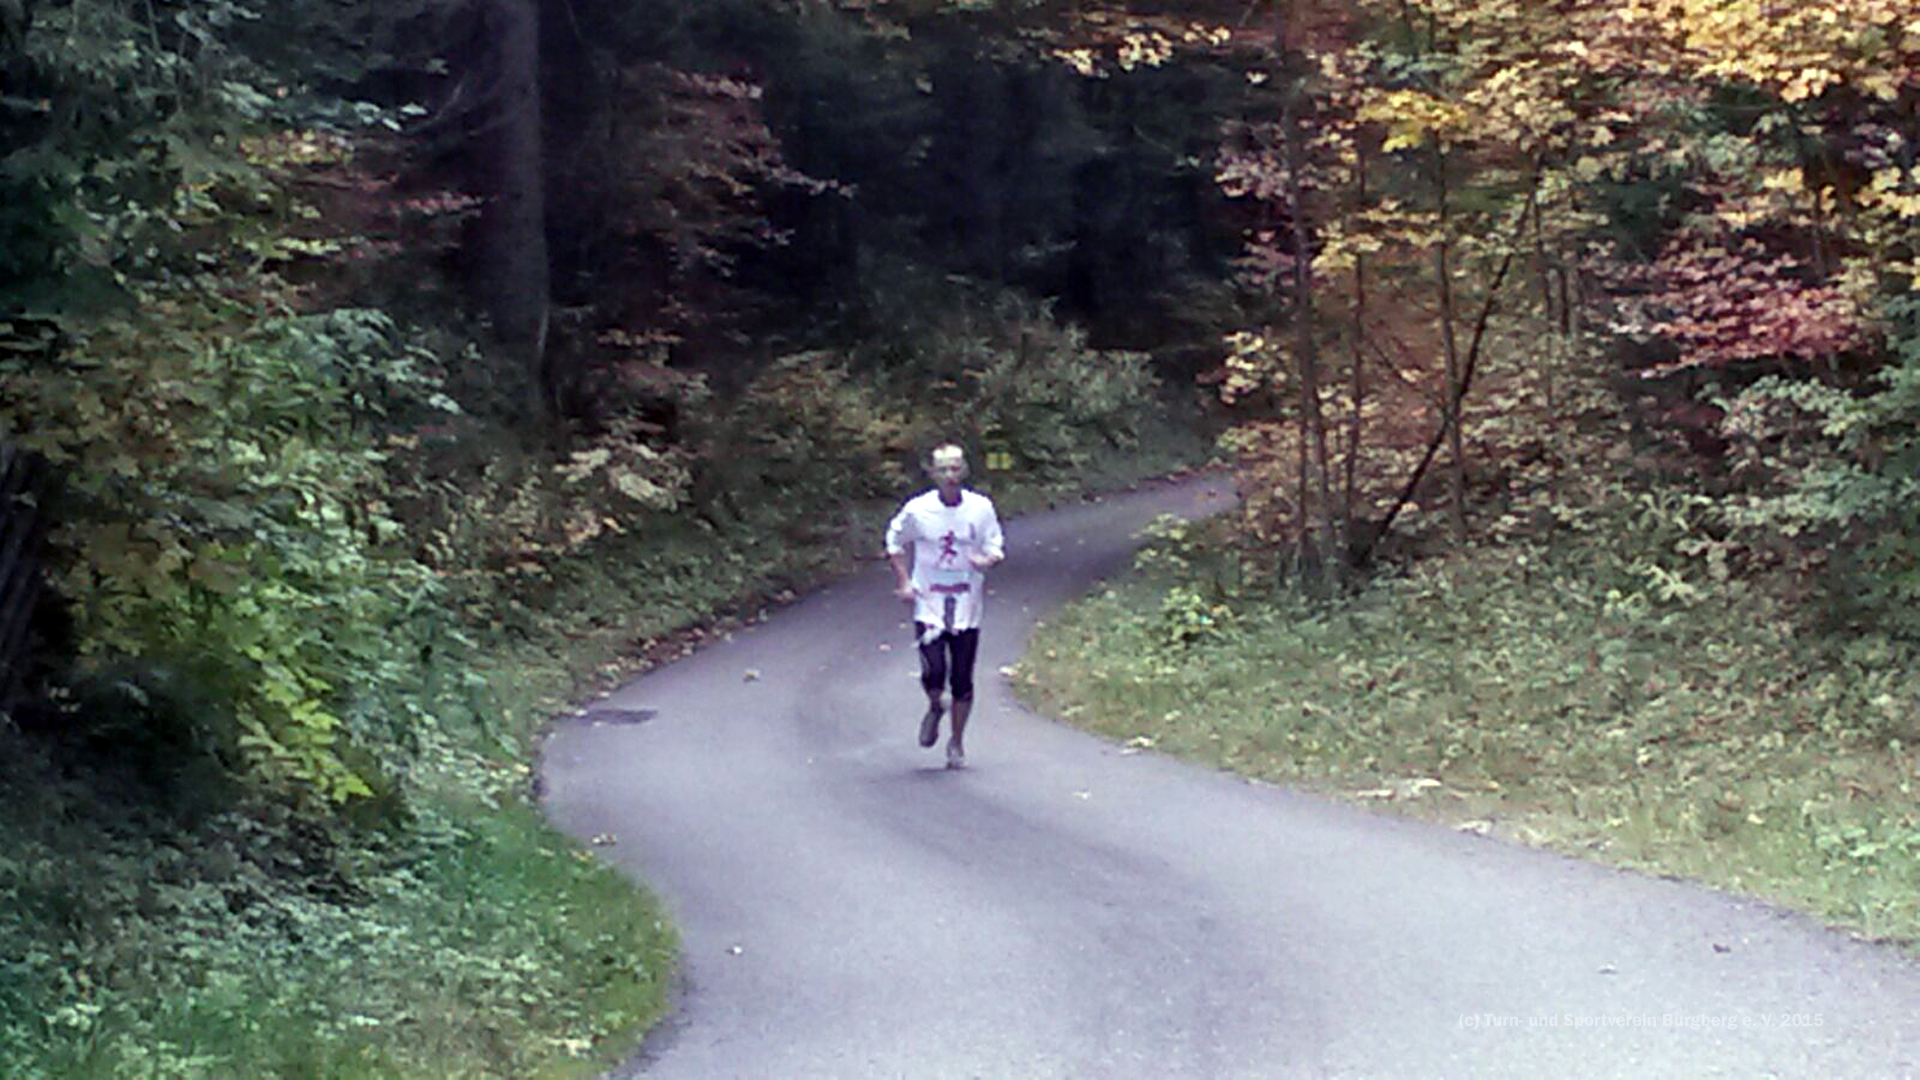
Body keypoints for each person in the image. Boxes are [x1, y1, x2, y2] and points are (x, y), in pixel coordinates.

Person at [885, 444, 1004, 768]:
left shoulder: (980, 508)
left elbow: (995, 545)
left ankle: (957, 742)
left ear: (964, 470)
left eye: (955, 468)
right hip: (930, 605)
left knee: (962, 679)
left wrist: (986, 560)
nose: (950, 475)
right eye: (943, 470)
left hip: (967, 606)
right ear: (933, 473)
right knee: (934, 671)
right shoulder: (918, 510)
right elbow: (894, 542)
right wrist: (904, 581)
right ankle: (936, 704)